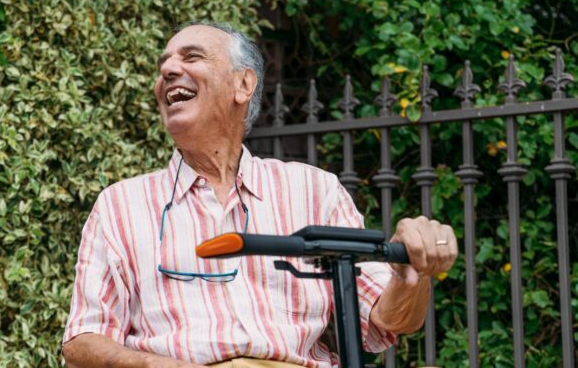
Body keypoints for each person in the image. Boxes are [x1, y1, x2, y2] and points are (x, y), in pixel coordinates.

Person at [61, 22, 458, 368]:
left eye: (192, 57)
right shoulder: (120, 206)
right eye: (164, 63)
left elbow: (385, 321)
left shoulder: (314, 190)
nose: (167, 69)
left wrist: (413, 273)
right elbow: (81, 343)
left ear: (243, 84)